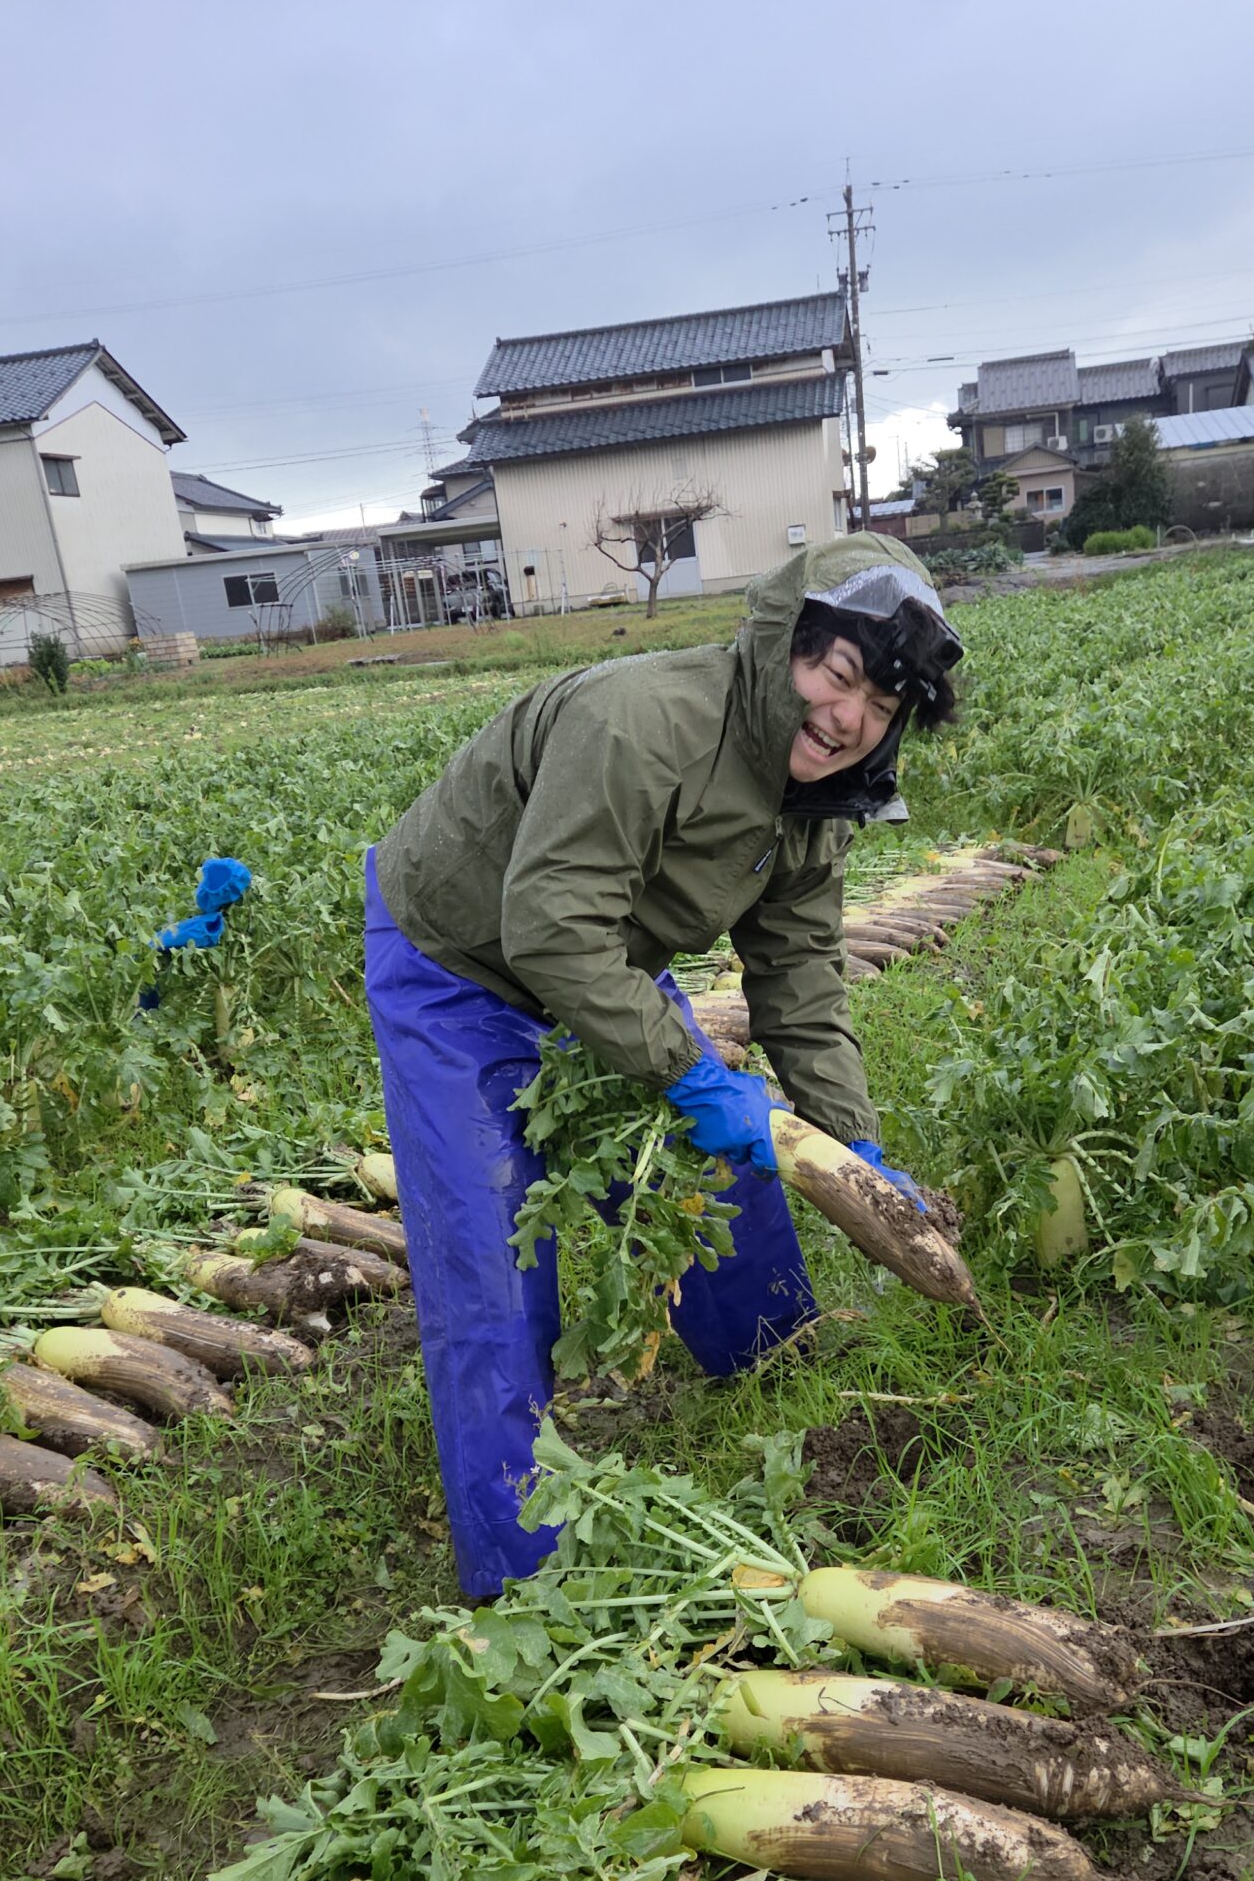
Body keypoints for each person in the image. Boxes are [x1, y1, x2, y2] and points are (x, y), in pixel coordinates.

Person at [365, 533, 962, 1597]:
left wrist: (848, 1140)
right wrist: (688, 1072)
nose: (845, 719)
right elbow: (547, 927)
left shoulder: (821, 799)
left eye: (879, 705)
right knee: (495, 1259)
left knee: (720, 1171)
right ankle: (525, 1582)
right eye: (836, 676)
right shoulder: (640, 724)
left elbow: (800, 975)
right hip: (460, 962)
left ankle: (773, 1363)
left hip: (603, 958)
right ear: (791, 644)